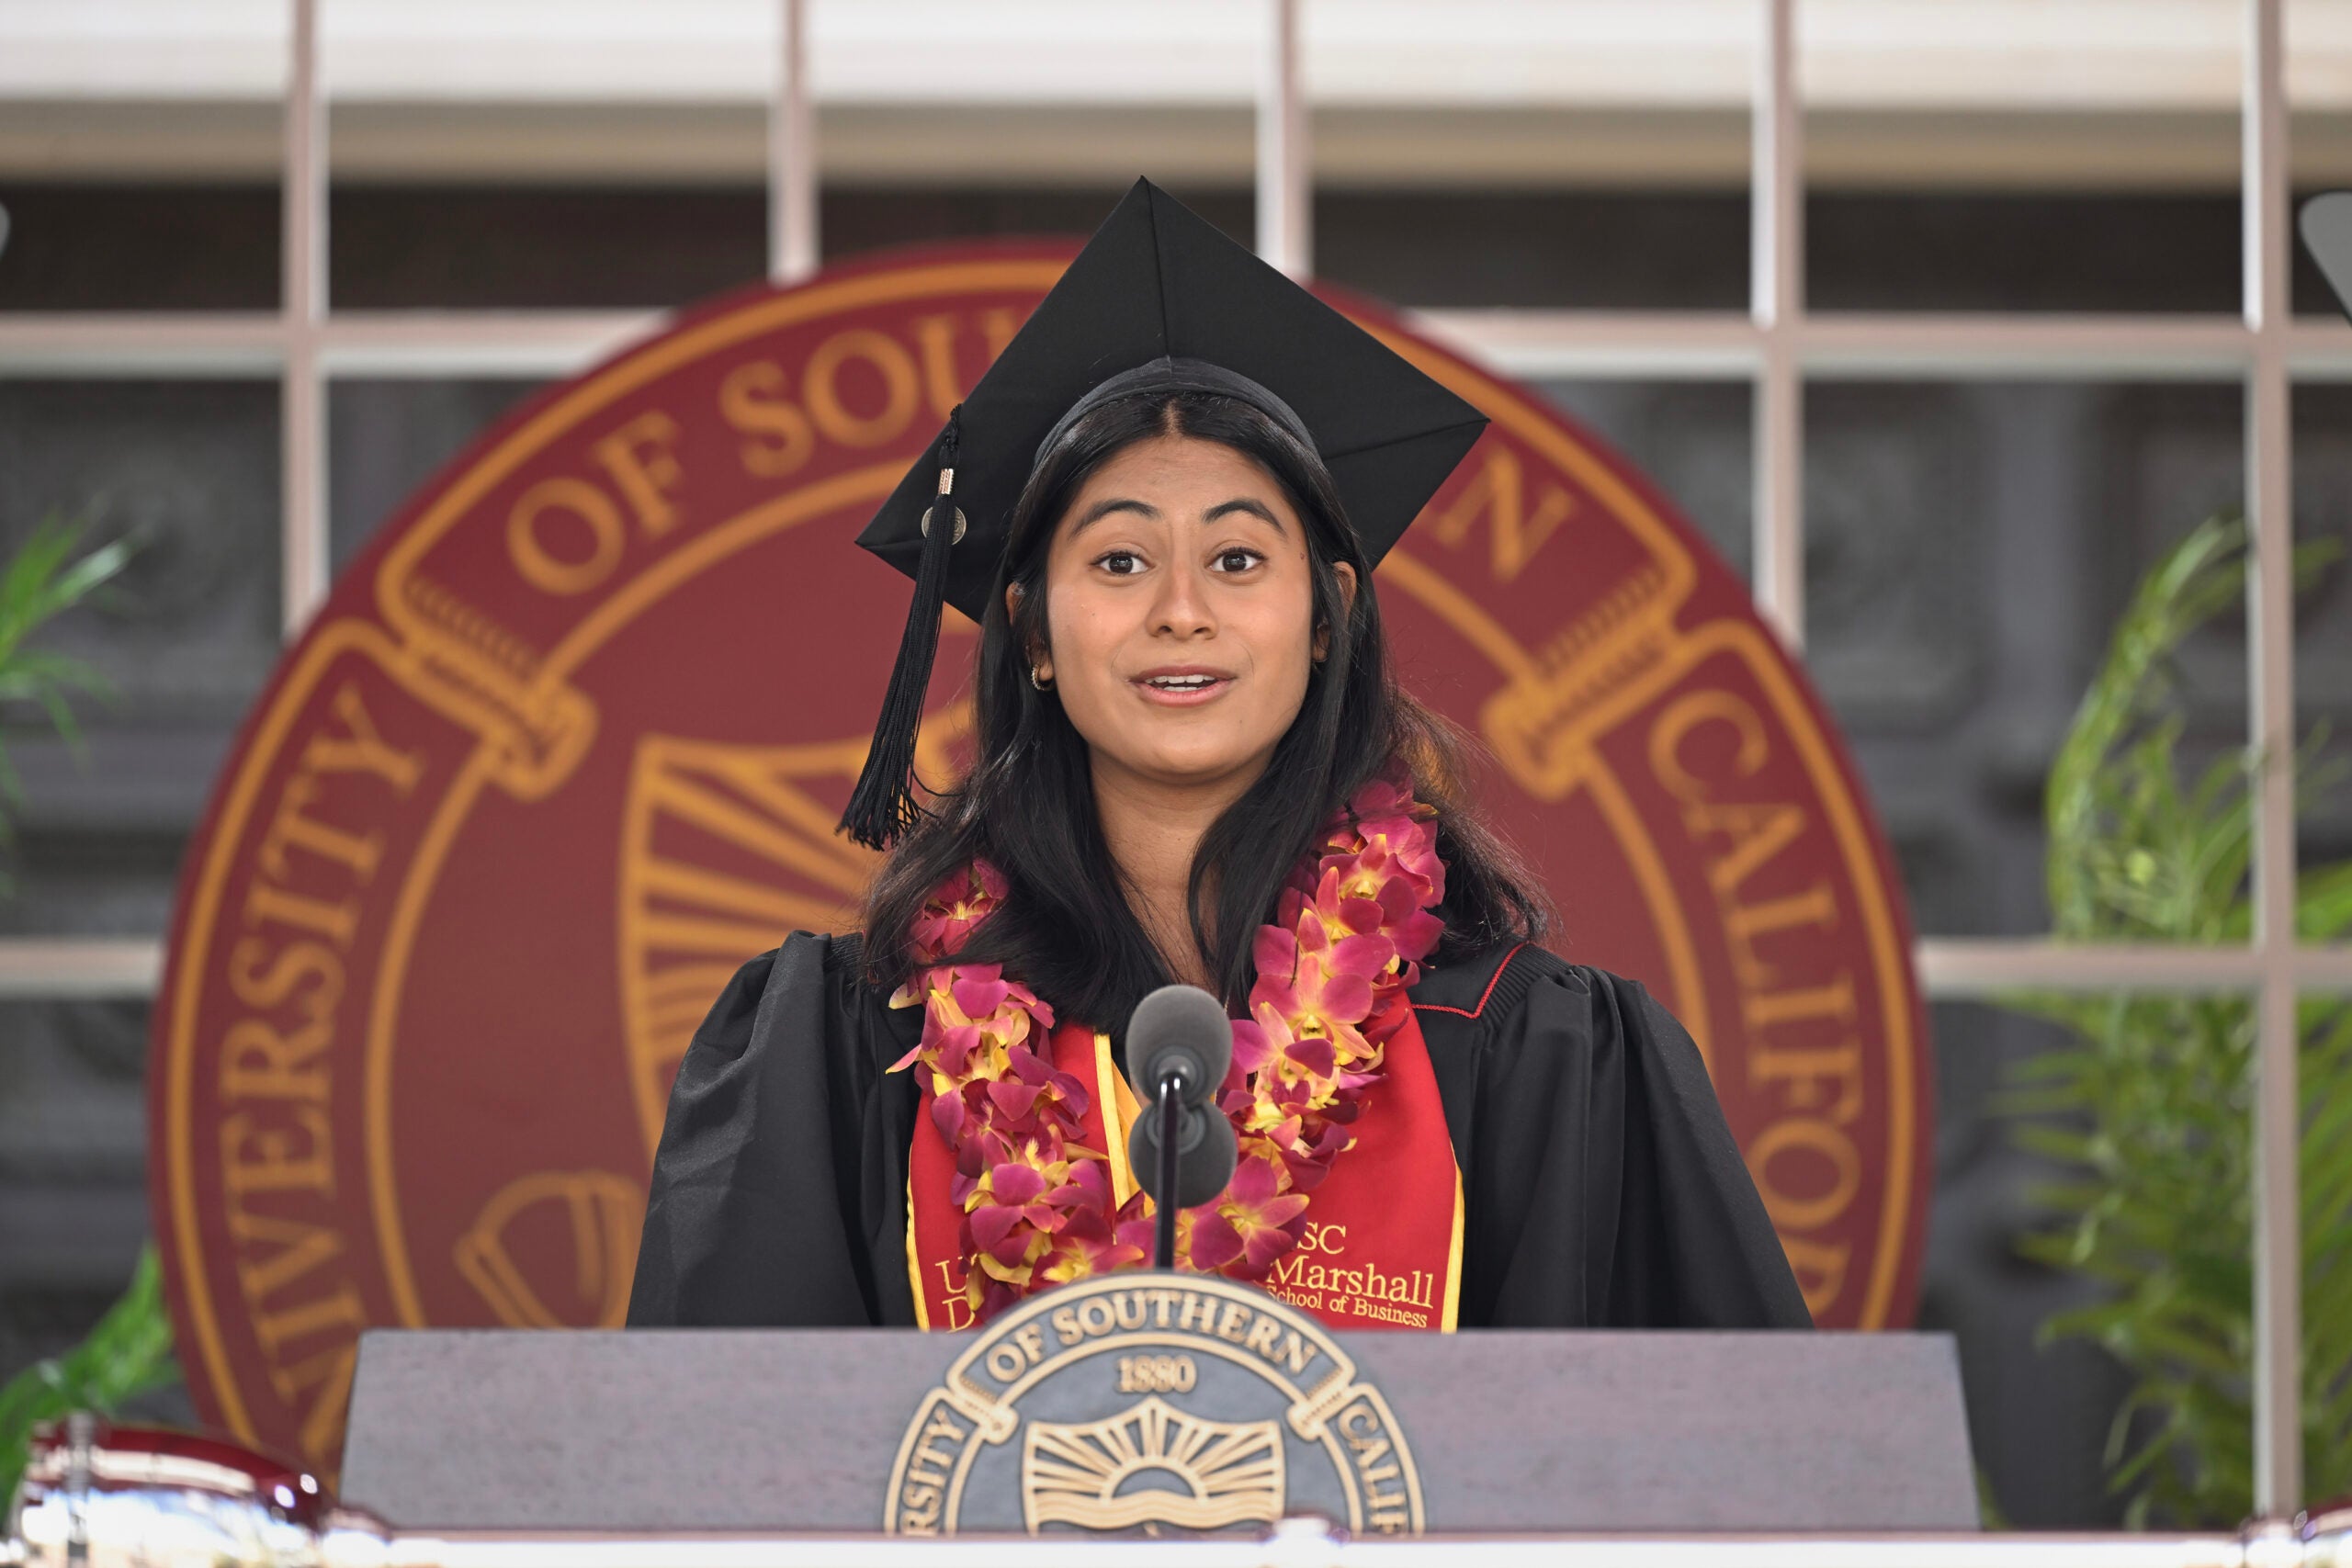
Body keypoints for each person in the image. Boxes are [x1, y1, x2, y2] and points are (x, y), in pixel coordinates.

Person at [627, 180, 1810, 1335]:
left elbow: (1716, 1484)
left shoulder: (1529, 1052)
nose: (1182, 610)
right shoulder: (854, 1059)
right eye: (1120, 562)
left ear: (1326, 615)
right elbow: (726, 1482)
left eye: (1240, 561)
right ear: (1035, 630)